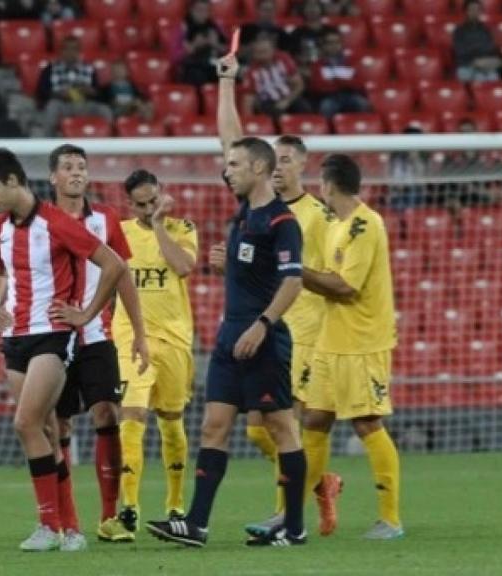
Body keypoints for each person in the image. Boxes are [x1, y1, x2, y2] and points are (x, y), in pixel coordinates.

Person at [145, 52, 308, 548]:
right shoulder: (245, 212)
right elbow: (230, 137)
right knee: (213, 426)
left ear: (259, 169)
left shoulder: (282, 222)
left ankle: (295, 525)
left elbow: (293, 282)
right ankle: (195, 523)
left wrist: (262, 325)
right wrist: (227, 83)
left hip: (263, 338)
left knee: (281, 428)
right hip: (229, 333)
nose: (226, 169)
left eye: (235, 165)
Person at [0, 147, 128, 552]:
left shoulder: (57, 223)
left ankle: (51, 526)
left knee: (26, 423)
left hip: (53, 336)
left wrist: (85, 314)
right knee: (44, 430)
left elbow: (114, 265)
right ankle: (69, 528)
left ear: (13, 181)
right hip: (15, 340)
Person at [240, 135, 343, 539]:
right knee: (256, 429)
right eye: (274, 160)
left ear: (303, 165)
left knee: (287, 426)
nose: (279, 167)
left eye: (286, 160)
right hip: (271, 327)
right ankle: (321, 485)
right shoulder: (262, 213)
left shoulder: (320, 215)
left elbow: (332, 276)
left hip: (308, 333)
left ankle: (284, 516)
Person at [47, 144, 150, 545]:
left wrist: (139, 334)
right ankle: (63, 518)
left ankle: (110, 516)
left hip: (96, 334)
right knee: (58, 425)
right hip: (53, 334)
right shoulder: (42, 220)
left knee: (108, 412)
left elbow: (122, 275)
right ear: (53, 177)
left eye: (81, 167)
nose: (76, 173)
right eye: (68, 167)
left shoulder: (106, 218)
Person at [300, 153, 404, 540]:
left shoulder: (365, 224)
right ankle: (293, 515)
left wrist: (296, 271)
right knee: (314, 420)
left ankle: (390, 520)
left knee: (366, 423)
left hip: (362, 342)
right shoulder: (334, 226)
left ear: (328, 184)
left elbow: (346, 287)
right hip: (331, 341)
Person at [112, 168, 198, 541]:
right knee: (132, 414)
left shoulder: (183, 228)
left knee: (171, 419)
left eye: (153, 201)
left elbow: (182, 266)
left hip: (176, 340)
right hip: (132, 338)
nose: (149, 209)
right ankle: (129, 507)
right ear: (129, 205)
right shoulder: (120, 235)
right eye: (141, 205)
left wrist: (161, 225)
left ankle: (176, 505)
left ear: (162, 195)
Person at [35, 36, 113, 136]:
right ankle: (48, 142)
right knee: (52, 107)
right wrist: (58, 94)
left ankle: (110, 142)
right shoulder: (50, 69)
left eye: (74, 49)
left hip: (84, 104)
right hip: (62, 105)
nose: (70, 52)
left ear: (79, 51)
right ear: (61, 51)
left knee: (105, 110)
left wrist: (91, 91)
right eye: (66, 48)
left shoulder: (89, 69)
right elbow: (41, 92)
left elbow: (99, 94)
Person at [242, 36, 311, 121]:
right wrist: (249, 121)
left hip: (288, 97)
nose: (260, 56)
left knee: (304, 107)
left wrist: (286, 101)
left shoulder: (283, 59)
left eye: (264, 51)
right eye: (257, 52)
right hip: (267, 102)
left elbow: (299, 85)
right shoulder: (251, 71)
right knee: (273, 112)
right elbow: (248, 99)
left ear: (272, 51)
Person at [309, 29, 370, 119]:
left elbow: (359, 84)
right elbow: (317, 86)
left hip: (350, 95)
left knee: (363, 104)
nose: (334, 46)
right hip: (330, 97)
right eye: (330, 43)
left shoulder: (351, 62)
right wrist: (344, 81)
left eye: (337, 42)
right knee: (326, 107)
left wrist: (335, 81)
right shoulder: (318, 64)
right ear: (324, 45)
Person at [170, 0, 228, 87]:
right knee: (197, 75)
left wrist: (216, 45)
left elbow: (229, 51)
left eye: (206, 11)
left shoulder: (215, 27)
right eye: (199, 10)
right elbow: (174, 58)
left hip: (213, 64)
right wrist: (194, 46)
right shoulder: (182, 28)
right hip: (192, 68)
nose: (202, 14)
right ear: (191, 10)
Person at [453, 0, 502, 82]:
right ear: (466, 11)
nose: (475, 12)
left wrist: (482, 58)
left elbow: (490, 48)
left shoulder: (486, 29)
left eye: (477, 10)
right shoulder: (459, 31)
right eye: (472, 9)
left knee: (493, 77)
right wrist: (476, 59)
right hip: (466, 65)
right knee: (479, 78)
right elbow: (460, 52)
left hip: (485, 64)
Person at [289, 0, 338, 66]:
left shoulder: (331, 31)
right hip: (306, 69)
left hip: (329, 67)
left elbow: (338, 52)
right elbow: (292, 56)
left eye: (315, 5)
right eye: (309, 6)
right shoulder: (297, 33)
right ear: (303, 10)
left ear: (321, 9)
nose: (312, 9)